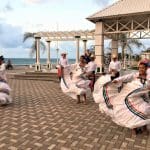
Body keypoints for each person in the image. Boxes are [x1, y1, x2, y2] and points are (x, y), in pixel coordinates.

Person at [93, 61, 150, 134]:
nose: (141, 69)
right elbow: (126, 77)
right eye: (140, 68)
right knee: (128, 112)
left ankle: (144, 127)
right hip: (129, 95)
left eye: (143, 68)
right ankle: (134, 127)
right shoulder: (135, 75)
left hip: (140, 96)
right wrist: (117, 80)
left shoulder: (148, 77)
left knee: (144, 109)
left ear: (146, 69)